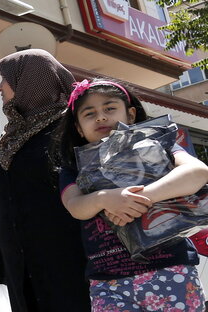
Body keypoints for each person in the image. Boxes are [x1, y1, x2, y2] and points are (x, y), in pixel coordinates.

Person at [56, 78, 208, 311]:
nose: (100, 117)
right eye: (89, 113)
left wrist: (143, 196)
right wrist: (105, 198)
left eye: (109, 108)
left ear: (131, 114)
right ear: (78, 128)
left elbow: (197, 172)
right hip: (108, 280)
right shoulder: (72, 167)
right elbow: (74, 205)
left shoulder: (157, 143)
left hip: (171, 267)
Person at [0, 49, 90, 311]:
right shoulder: (11, 139)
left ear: (30, 81)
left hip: (67, 261)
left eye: (5, 79)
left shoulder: (72, 131)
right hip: (20, 264)